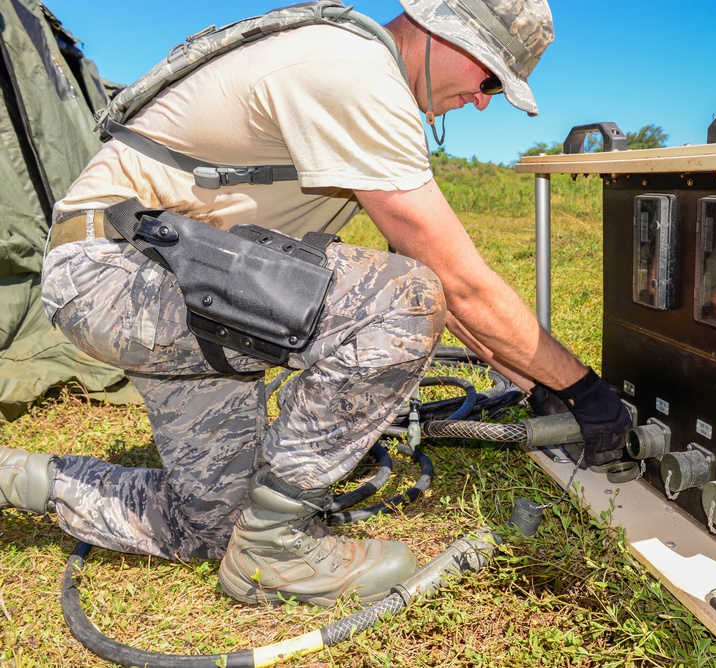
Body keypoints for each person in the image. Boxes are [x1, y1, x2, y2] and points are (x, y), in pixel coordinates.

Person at [0, 0, 631, 607]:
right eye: (490, 76)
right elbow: (449, 286)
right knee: (403, 299)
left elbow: (449, 293)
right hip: (116, 276)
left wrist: (533, 383)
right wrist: (582, 389)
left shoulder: (359, 72)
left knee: (212, 531)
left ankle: (21, 478)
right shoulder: (355, 74)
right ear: (443, 33)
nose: (483, 99)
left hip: (184, 286)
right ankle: (276, 545)